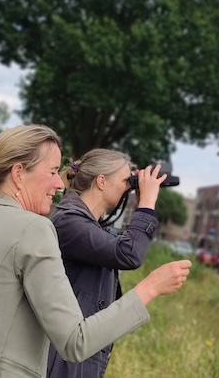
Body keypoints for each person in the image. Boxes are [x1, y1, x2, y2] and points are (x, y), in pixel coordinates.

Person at [0, 124, 192, 378]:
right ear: (18, 173)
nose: (59, 183)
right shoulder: (34, 230)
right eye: (52, 171)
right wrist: (150, 288)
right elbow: (76, 341)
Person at [47, 149, 166, 378]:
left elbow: (122, 247)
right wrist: (147, 203)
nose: (128, 188)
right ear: (101, 181)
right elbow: (129, 253)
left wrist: (141, 199)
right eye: (126, 181)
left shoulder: (87, 224)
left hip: (74, 354)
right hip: (61, 359)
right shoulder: (69, 222)